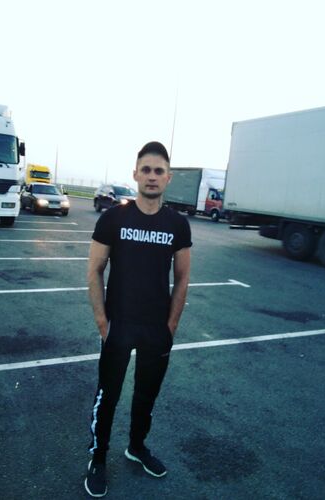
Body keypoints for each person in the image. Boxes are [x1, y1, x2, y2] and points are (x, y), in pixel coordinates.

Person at [85, 141, 192, 497]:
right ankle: (98, 457)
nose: (152, 176)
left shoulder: (177, 224)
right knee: (108, 396)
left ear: (168, 178)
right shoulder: (114, 218)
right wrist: (102, 321)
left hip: (156, 329)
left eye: (159, 171)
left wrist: (171, 326)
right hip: (119, 325)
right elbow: (94, 269)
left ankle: (136, 446)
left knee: (146, 395)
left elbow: (183, 278)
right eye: (146, 169)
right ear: (135, 174)